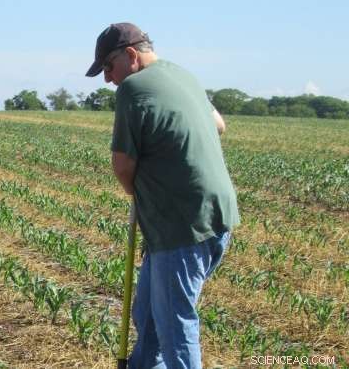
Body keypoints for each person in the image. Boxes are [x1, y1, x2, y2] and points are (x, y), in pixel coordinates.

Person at [85, 23, 239, 369]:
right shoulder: (183, 76)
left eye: (108, 68)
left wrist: (139, 192)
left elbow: (123, 166)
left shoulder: (133, 88)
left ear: (130, 55)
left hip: (180, 225)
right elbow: (219, 124)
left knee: (174, 327)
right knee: (148, 316)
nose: (108, 79)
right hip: (217, 217)